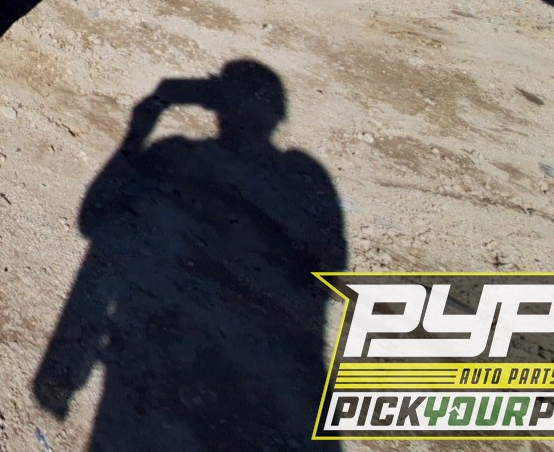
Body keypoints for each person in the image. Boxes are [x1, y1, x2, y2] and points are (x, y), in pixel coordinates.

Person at [37, 61, 345, 451]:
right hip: (251, 391)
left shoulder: (174, 154)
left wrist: (141, 126)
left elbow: (92, 221)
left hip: (162, 374)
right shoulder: (306, 177)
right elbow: (328, 271)